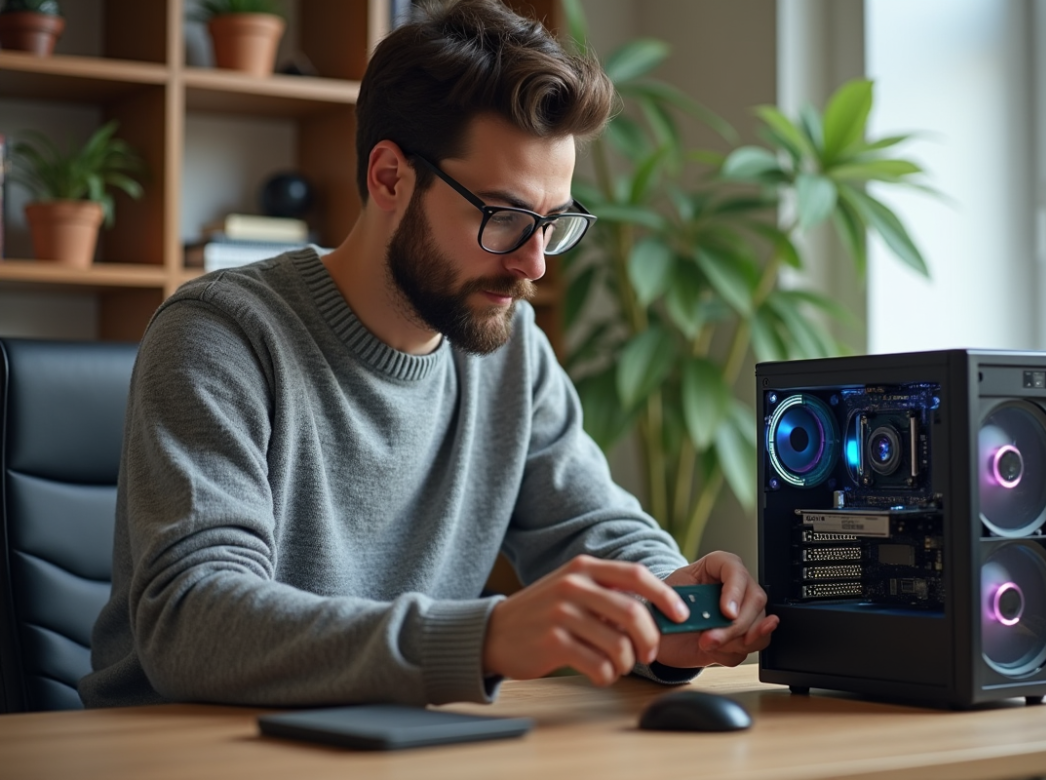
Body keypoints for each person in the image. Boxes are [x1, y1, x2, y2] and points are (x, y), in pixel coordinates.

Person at [80, 0, 778, 709]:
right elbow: (194, 623)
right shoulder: (220, 336)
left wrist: (668, 606)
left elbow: (593, 527)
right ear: (389, 178)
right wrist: (485, 638)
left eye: (554, 223)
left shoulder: (510, 351)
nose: (534, 265)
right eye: (505, 217)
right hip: (185, 749)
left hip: (395, 744)